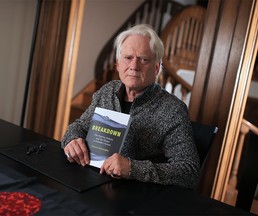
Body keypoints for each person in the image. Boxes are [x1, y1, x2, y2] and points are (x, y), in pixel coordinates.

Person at [61, 24, 200, 189]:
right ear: (118, 64)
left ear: (156, 68)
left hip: (137, 197)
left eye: (143, 59)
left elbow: (189, 170)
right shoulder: (107, 91)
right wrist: (72, 139)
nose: (134, 66)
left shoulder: (173, 110)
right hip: (92, 182)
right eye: (128, 58)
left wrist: (133, 168)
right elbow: (79, 126)